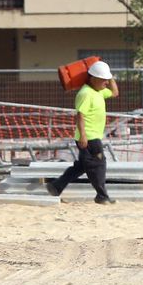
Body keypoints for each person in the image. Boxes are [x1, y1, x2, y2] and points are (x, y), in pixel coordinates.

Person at [45, 60, 119, 204]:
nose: (106, 83)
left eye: (106, 80)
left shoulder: (98, 91)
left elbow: (115, 92)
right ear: (94, 78)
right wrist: (83, 136)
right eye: (103, 80)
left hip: (93, 135)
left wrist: (109, 76)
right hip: (89, 137)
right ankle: (102, 196)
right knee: (98, 164)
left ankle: (55, 186)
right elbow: (80, 115)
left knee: (82, 166)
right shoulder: (85, 93)